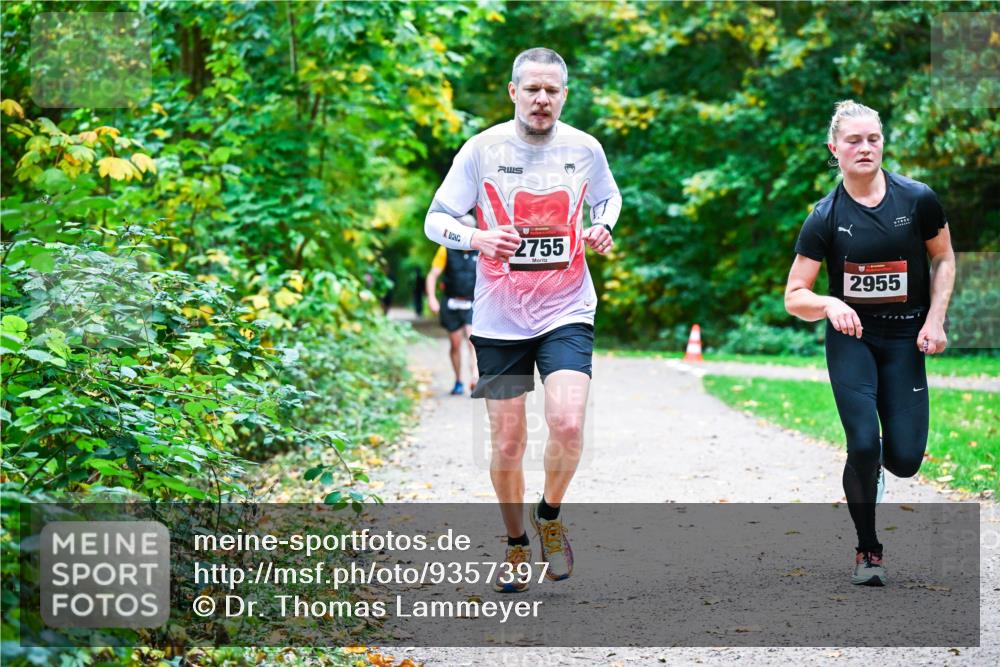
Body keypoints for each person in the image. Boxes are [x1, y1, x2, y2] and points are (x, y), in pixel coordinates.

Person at [424, 48, 621, 592]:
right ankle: (515, 545)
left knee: (568, 422)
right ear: (513, 92)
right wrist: (478, 237)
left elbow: (608, 199)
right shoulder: (482, 149)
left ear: (564, 95)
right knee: (507, 442)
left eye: (552, 91)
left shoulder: (584, 149)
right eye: (532, 89)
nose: (542, 99)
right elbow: (435, 219)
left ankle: (549, 516)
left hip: (567, 309)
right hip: (497, 321)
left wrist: (602, 226)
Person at [785, 100, 955, 587]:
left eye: (873, 139)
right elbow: (794, 295)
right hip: (852, 339)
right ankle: (868, 549)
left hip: (906, 339)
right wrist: (830, 305)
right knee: (862, 443)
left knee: (902, 459)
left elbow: (943, 259)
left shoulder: (918, 199)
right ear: (833, 149)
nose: (864, 148)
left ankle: (877, 466)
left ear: (883, 143)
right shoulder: (824, 216)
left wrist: (936, 319)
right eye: (853, 140)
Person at [425, 245, 479, 395]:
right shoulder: (445, 249)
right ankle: (458, 381)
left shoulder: (480, 249)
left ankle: (475, 378)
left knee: (473, 340)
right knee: (455, 344)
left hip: (472, 302)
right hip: (451, 302)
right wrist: (431, 298)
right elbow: (432, 275)